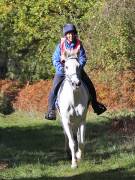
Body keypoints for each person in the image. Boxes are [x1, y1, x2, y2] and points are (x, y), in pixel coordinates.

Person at [45, 23, 106, 120]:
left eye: (72, 33)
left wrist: (78, 67)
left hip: (77, 71)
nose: (70, 35)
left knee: (90, 85)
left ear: (75, 34)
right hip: (63, 71)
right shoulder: (60, 46)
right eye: (68, 34)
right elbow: (55, 59)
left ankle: (95, 105)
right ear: (65, 35)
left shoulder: (79, 44)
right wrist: (61, 68)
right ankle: (51, 110)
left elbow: (83, 58)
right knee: (55, 87)